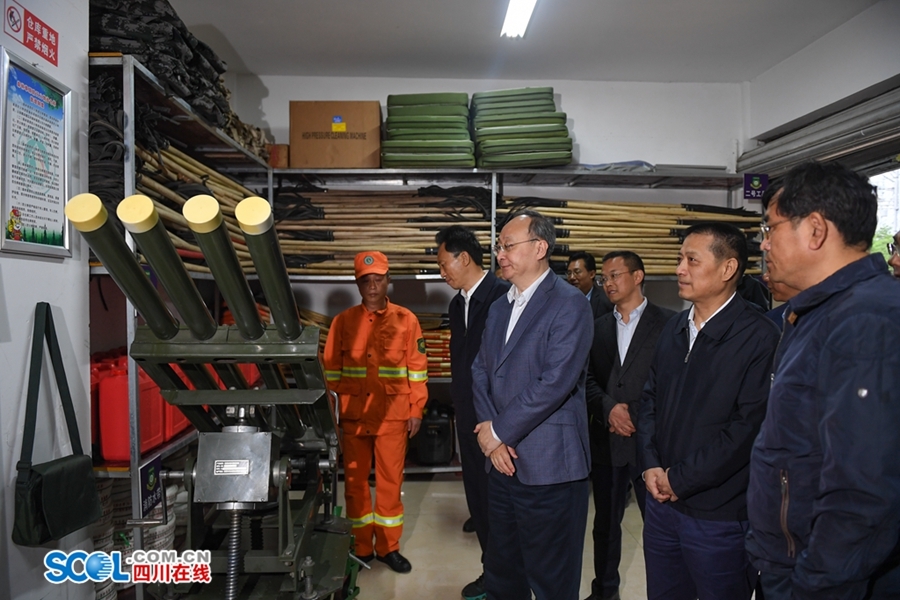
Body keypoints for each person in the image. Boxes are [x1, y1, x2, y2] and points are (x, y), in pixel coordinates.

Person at [746, 161, 900, 599]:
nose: (764, 243)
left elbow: (863, 490)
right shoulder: (818, 313)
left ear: (815, 230)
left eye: (771, 228)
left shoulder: (866, 320)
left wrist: (814, 587)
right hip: (792, 566)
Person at [636, 222, 780, 600]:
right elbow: (649, 399)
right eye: (680, 259)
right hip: (662, 506)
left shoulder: (759, 337)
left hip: (719, 516)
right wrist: (651, 465)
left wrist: (680, 479)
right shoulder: (674, 329)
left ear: (728, 268)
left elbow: (746, 429)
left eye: (692, 260)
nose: (680, 269)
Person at [472, 210, 594, 600]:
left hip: (550, 467)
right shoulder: (499, 306)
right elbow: (480, 370)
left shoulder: (569, 304)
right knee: (502, 573)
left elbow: (555, 382)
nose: (499, 254)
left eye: (508, 246)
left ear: (540, 248)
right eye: (498, 246)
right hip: (502, 465)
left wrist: (497, 431)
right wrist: (493, 438)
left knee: (551, 579)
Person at [322, 251, 428, 574]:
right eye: (365, 280)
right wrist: (332, 417)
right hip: (353, 417)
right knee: (354, 485)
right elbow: (330, 374)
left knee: (390, 484)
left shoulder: (407, 321)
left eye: (378, 279)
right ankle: (362, 547)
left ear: (388, 281)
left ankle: (388, 547)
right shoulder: (342, 323)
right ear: (357, 284)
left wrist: (416, 410)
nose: (372, 286)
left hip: (393, 416)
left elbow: (417, 370)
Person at [584, 251, 675, 600]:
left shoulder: (669, 324)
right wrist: (609, 409)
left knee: (659, 527)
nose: (607, 283)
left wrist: (632, 415)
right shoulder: (597, 328)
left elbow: (671, 383)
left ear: (638, 277)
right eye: (604, 278)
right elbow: (587, 380)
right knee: (605, 525)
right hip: (607, 442)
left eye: (615, 275)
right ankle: (604, 591)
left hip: (651, 444)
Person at [435, 225, 509, 600]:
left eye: (443, 264)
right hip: (467, 419)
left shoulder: (501, 298)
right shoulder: (457, 304)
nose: (441, 272)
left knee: (500, 506)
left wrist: (499, 425)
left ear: (464, 258)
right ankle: (492, 572)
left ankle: (506, 579)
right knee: (478, 503)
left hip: (496, 425)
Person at [567, 251, 614, 318]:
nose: (572, 277)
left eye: (577, 272)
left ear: (592, 274)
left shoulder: (606, 301)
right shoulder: (563, 300)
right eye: (569, 273)